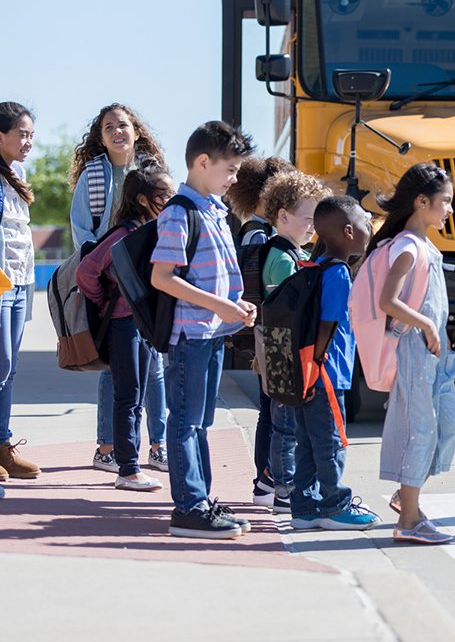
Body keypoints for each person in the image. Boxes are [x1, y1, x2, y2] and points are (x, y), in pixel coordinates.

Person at [151, 121, 257, 538]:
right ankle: (189, 508)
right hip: (191, 336)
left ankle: (202, 501)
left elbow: (217, 276)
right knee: (186, 421)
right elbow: (164, 277)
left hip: (211, 333)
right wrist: (222, 305)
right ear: (202, 162)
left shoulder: (212, 209)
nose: (234, 178)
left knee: (199, 421)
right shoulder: (180, 212)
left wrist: (235, 304)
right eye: (230, 169)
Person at [68, 103, 169, 474]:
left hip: (148, 279)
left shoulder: (153, 173)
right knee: (114, 368)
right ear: (100, 136)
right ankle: (107, 447)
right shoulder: (92, 176)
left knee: (155, 366)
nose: (117, 132)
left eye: (123, 125)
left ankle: (158, 445)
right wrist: (104, 270)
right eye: (108, 127)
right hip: (110, 282)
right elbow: (82, 231)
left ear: (136, 131)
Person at [375, 164, 455, 545]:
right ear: (421, 201)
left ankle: (405, 495)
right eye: (445, 202)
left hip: (434, 354)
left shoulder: (423, 244)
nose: (449, 210)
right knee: (422, 429)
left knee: (449, 423)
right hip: (415, 348)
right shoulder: (408, 247)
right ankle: (409, 520)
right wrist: (427, 325)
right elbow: (387, 301)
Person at [77, 161, 176, 491]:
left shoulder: (158, 231)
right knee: (128, 396)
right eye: (165, 194)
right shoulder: (125, 233)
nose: (172, 199)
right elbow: (87, 270)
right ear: (144, 200)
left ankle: (129, 466)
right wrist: (105, 304)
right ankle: (128, 469)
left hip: (144, 326)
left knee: (137, 395)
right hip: (124, 325)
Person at [289, 195, 380, 531]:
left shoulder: (315, 266)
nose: (369, 226)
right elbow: (328, 323)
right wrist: (316, 367)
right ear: (347, 231)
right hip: (327, 373)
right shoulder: (339, 273)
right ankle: (335, 505)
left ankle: (304, 505)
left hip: (310, 372)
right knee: (332, 441)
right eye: (364, 221)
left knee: (309, 443)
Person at [256, 170, 330, 513]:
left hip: (278, 349)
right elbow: (292, 307)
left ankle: (271, 480)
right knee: (286, 424)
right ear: (283, 216)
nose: (313, 227)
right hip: (284, 352)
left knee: (282, 419)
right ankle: (284, 487)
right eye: (308, 219)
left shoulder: (284, 252)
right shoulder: (282, 258)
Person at [224, 155, 295, 507]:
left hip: (263, 334)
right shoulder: (260, 233)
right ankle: (270, 481)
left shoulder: (255, 228)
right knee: (274, 410)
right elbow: (255, 290)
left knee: (270, 409)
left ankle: (265, 481)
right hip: (269, 334)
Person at [0, 102, 41, 486]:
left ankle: (3, 446)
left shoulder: (19, 172)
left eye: (31, 134)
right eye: (22, 134)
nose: (28, 141)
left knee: (9, 370)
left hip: (20, 281)